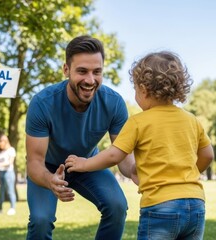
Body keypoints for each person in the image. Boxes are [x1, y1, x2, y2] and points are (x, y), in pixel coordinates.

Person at [65, 51, 215, 240]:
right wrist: (186, 175)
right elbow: (208, 155)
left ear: (144, 89)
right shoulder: (191, 120)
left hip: (161, 205)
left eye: (135, 89)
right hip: (196, 204)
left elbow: (114, 155)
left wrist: (84, 164)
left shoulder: (138, 122)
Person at [25, 35, 136, 240]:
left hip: (88, 162)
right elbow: (34, 162)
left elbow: (124, 156)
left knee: (117, 206)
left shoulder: (114, 103)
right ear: (66, 70)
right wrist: (51, 181)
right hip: (47, 167)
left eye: (97, 72)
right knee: (41, 221)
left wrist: (138, 172)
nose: (90, 80)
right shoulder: (42, 103)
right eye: (82, 71)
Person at [0, 134, 17, 215]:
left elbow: (9, 162)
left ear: (5, 142)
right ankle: (0, 209)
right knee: (0, 191)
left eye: (1, 141)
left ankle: (12, 208)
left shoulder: (11, 150)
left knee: (10, 190)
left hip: (8, 172)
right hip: (0, 172)